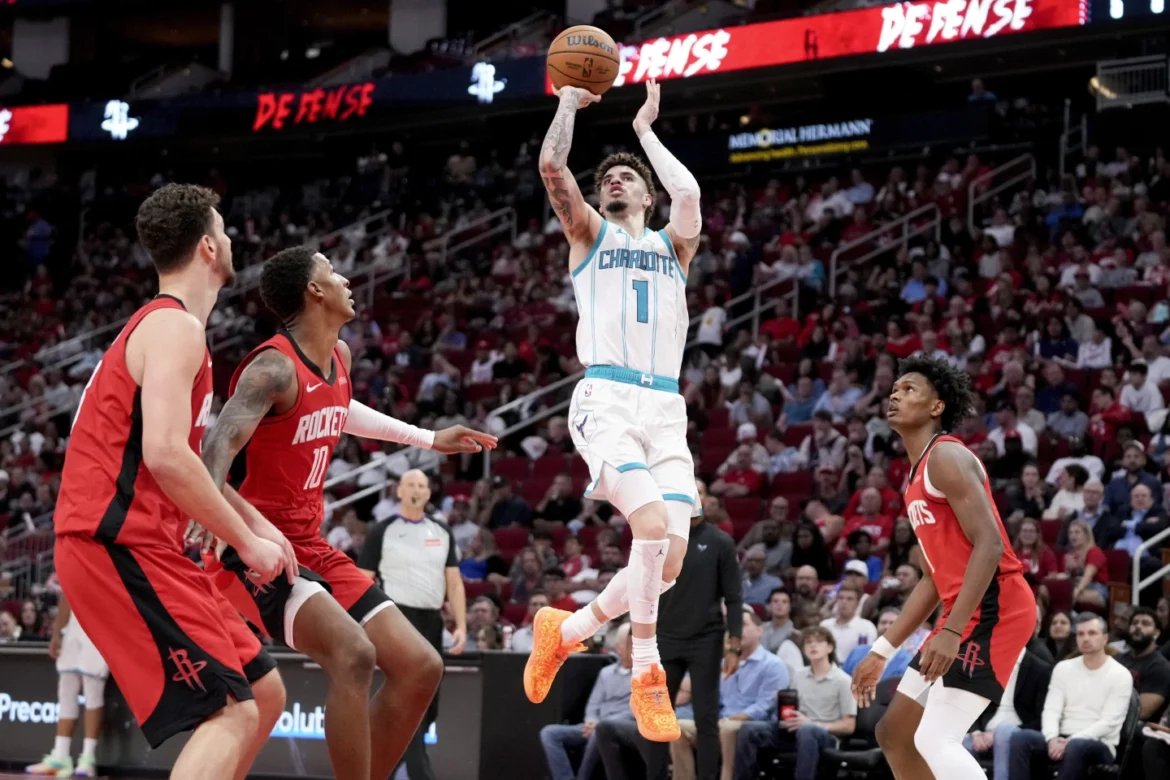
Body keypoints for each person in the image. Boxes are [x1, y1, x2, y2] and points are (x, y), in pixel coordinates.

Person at [193, 245, 496, 780]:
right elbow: (218, 442)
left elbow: (339, 407)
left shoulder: (339, 359)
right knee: (354, 654)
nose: (345, 280)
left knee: (421, 666)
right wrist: (210, 513)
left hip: (311, 542)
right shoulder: (272, 367)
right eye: (332, 272)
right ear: (314, 290)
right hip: (256, 546)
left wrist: (428, 438)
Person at [52, 184, 294, 780]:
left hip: (150, 543)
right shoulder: (174, 328)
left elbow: (179, 457)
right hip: (114, 542)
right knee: (231, 713)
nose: (232, 241)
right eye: (225, 231)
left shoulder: (169, 330)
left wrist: (258, 525)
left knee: (264, 695)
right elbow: (164, 455)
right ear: (209, 247)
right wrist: (244, 541)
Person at [523, 78, 703, 743]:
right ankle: (647, 671)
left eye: (626, 177)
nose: (614, 182)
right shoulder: (590, 234)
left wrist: (644, 133)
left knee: (670, 562)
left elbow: (689, 195)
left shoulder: (673, 246)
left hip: (666, 407)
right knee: (649, 527)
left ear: (647, 195)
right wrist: (568, 104)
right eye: (607, 180)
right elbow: (552, 167)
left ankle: (566, 630)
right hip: (607, 397)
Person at [851, 356, 1038, 780]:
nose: (895, 395)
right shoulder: (914, 477)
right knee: (895, 732)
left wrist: (951, 632)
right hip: (962, 610)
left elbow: (990, 544)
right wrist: (881, 652)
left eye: (909, 389)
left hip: (996, 605)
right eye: (894, 389)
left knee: (937, 738)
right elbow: (933, 579)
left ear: (937, 407)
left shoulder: (946, 456)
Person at [357, 468, 468, 780]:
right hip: (396, 620)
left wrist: (461, 625)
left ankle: (381, 771)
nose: (416, 490)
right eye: (410, 484)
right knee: (409, 697)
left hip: (432, 621)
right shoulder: (383, 531)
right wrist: (362, 625)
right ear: (399, 491)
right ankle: (421, 774)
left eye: (422, 485)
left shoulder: (442, 531)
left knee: (428, 706)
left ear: (429, 493)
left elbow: (454, 583)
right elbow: (362, 581)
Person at [1007, 615, 1134, 780]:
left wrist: (1071, 740)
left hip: (1099, 743)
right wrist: (1052, 738)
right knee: (1020, 738)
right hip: (1061, 737)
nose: (1085, 638)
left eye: (1092, 633)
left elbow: (1109, 722)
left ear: (1105, 638)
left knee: (1076, 746)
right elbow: (1051, 710)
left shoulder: (1120, 674)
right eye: (1080, 634)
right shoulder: (1063, 668)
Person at [670, 606, 788, 780]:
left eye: (743, 625)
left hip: (755, 726)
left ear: (760, 630)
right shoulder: (723, 663)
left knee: (727, 728)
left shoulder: (773, 664)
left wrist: (731, 719)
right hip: (722, 722)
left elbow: (765, 705)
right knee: (679, 728)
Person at [733, 627, 857, 780]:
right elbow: (790, 710)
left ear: (830, 648)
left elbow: (849, 726)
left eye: (819, 641)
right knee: (749, 728)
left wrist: (813, 723)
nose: (813, 645)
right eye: (808, 642)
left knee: (807, 730)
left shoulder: (843, 680)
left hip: (825, 736)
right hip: (795, 731)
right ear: (803, 649)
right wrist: (781, 704)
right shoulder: (798, 675)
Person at [24, 595, 107, 777]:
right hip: (73, 629)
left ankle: (88, 758)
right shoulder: (71, 575)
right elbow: (66, 596)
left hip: (100, 626)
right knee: (66, 691)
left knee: (93, 691)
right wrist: (56, 633)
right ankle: (60, 755)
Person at [539, 623, 634, 780]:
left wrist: (601, 725)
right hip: (594, 725)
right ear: (619, 649)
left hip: (620, 727)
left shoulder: (645, 674)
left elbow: (635, 711)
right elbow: (593, 704)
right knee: (549, 733)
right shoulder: (606, 673)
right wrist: (592, 720)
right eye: (629, 645)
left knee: (600, 731)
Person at [963, 648, 1054, 780]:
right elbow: (972, 703)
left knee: (1002, 731)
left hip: (1018, 731)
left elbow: (1041, 719)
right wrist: (976, 733)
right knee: (962, 744)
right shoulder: (987, 666)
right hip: (984, 731)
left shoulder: (1041, 669)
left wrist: (994, 734)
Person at [1116, 606, 1170, 722]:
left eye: (1145, 624)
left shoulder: (1160, 667)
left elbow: (1141, 712)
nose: (1138, 626)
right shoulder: (1116, 660)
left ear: (1156, 633)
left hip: (1134, 729)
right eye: (1134, 623)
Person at [820, 584, 877, 663]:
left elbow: (867, 657)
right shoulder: (825, 626)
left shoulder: (867, 627)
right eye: (841, 598)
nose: (844, 602)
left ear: (857, 603)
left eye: (849, 599)